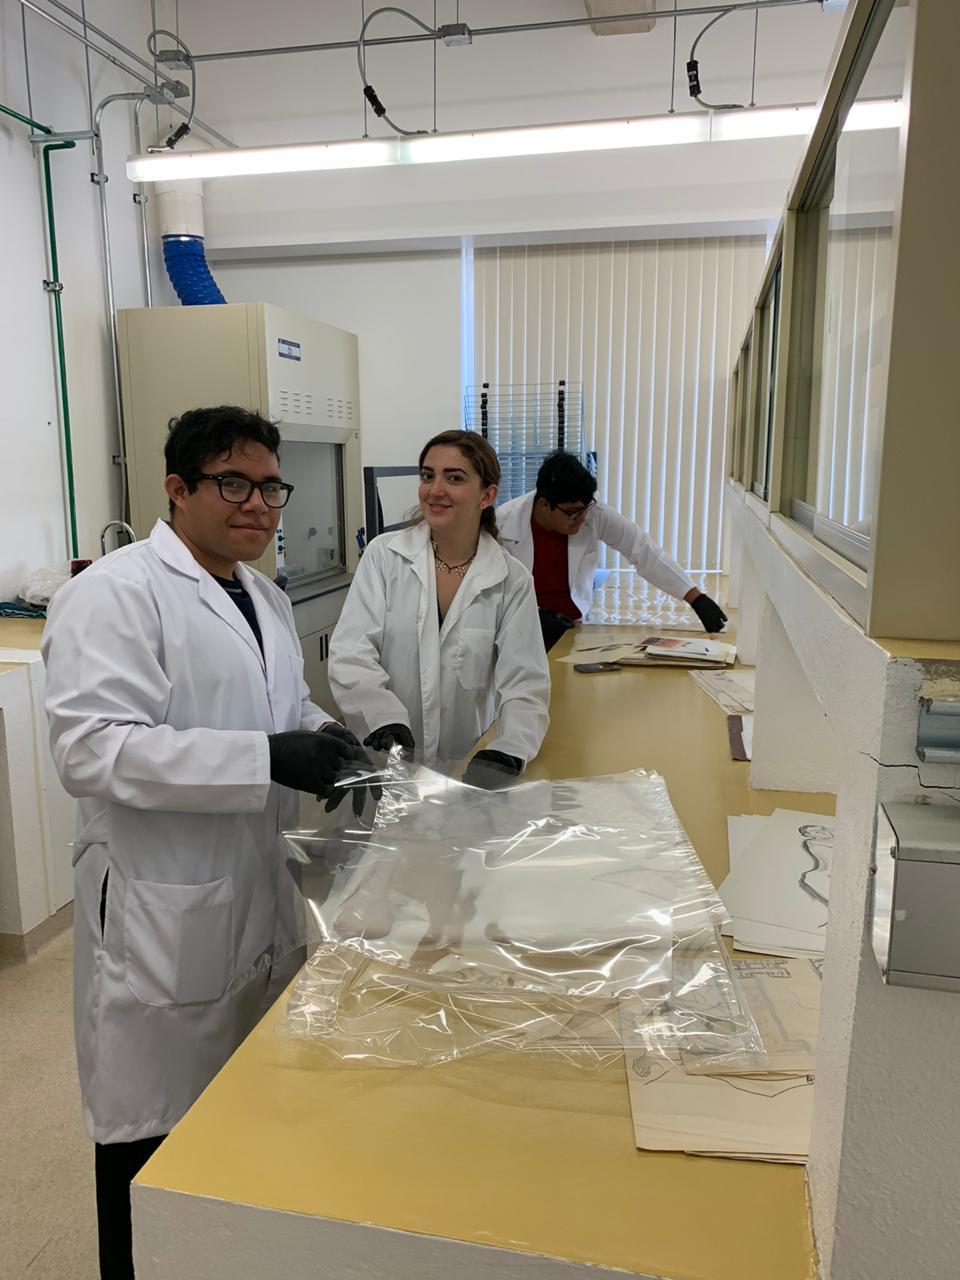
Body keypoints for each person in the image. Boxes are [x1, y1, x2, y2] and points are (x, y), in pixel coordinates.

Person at [42, 405, 377, 1280]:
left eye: (271, 486)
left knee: (233, 1131)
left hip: (249, 891)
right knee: (147, 1144)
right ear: (177, 489)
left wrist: (333, 740)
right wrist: (266, 758)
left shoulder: (260, 593)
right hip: (160, 902)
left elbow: (280, 710)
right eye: (234, 483)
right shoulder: (114, 593)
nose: (260, 505)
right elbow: (91, 749)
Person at [329, 429, 550, 788]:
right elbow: (351, 654)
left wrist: (510, 749)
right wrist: (382, 717)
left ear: (487, 495)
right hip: (387, 759)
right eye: (428, 476)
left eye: (455, 478)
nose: (435, 490)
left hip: (466, 769)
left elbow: (524, 683)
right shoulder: (385, 557)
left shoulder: (510, 579)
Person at [497, 451, 728, 648]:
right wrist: (534, 615)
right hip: (519, 630)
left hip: (572, 629)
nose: (582, 519)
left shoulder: (592, 515)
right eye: (573, 512)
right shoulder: (502, 525)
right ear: (544, 504)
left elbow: (641, 549)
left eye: (586, 509)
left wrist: (695, 598)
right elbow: (492, 589)